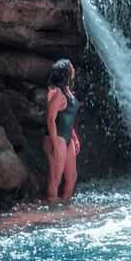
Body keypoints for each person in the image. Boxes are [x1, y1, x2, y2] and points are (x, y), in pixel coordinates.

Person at [42, 58, 81, 201]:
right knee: (55, 180)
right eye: (71, 67)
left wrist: (75, 138)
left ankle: (65, 208)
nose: (73, 69)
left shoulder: (67, 91)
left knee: (71, 177)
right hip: (56, 137)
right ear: (65, 71)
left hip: (67, 138)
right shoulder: (56, 91)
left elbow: (67, 117)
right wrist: (56, 145)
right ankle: (52, 212)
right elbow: (51, 120)